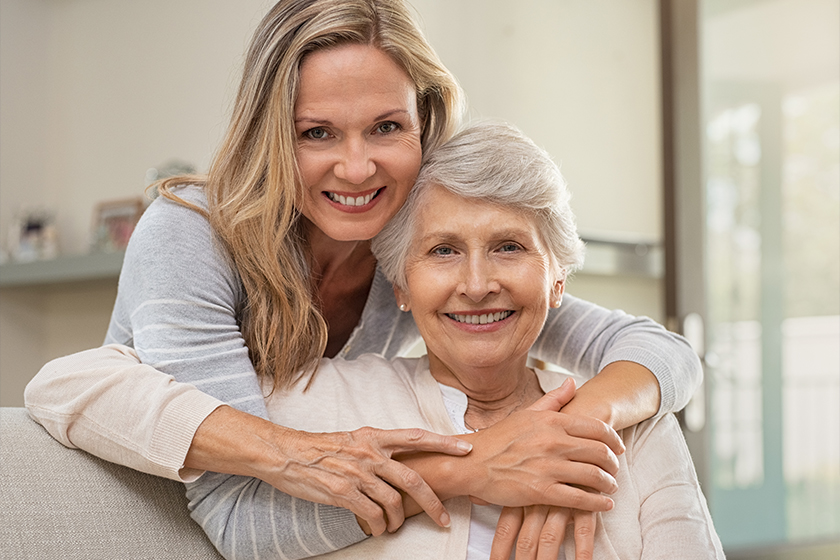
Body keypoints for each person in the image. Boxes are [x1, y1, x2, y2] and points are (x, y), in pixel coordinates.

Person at [25, 0, 703, 558]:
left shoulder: (413, 249)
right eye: (317, 133)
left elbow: (661, 352)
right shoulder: (193, 235)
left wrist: (564, 434)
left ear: (425, 121)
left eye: (385, 127)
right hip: (148, 519)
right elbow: (235, 517)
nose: (357, 169)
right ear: (271, 136)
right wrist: (476, 466)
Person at [233, 120, 728, 558]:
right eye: (444, 250)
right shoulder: (315, 400)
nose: (476, 284)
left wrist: (569, 436)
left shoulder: (637, 425)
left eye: (508, 247)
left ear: (558, 280)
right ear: (401, 285)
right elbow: (240, 530)